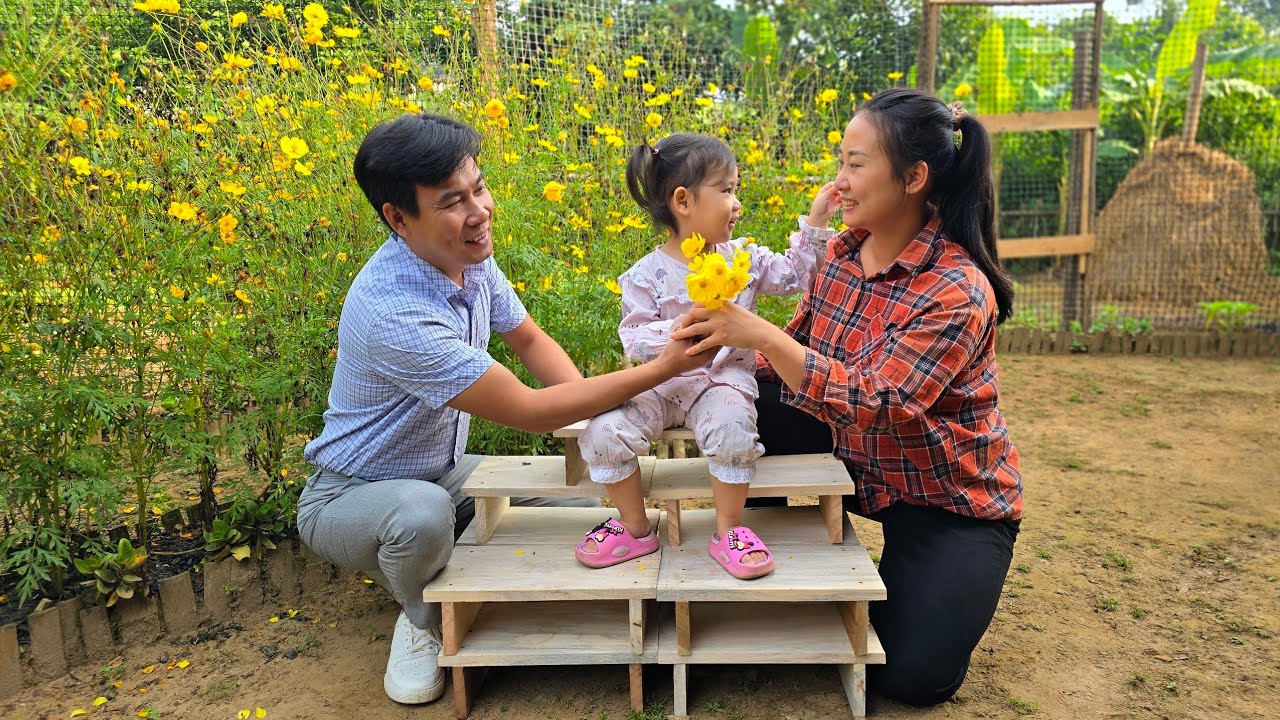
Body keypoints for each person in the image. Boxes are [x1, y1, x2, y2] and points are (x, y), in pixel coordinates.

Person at [297, 113, 717, 706]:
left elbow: (529, 340)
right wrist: (659, 371)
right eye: (452, 201)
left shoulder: (467, 256)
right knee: (421, 515)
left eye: (479, 187)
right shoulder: (394, 311)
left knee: (568, 498)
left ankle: (448, 565)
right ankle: (420, 618)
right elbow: (528, 410)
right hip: (352, 492)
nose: (479, 211)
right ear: (398, 218)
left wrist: (601, 430)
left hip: (445, 471)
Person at [673, 88, 1024, 706]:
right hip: (854, 459)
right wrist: (696, 362)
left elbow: (886, 402)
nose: (841, 181)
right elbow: (793, 359)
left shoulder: (956, 290)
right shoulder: (840, 255)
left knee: (909, 677)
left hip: (943, 498)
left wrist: (758, 332)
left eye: (856, 164)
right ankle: (758, 533)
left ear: (914, 177)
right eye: (842, 162)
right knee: (741, 400)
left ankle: (917, 575)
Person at [573, 133, 829, 579]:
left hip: (720, 383)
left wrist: (819, 219)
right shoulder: (643, 275)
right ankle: (635, 527)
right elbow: (633, 338)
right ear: (683, 201)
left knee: (733, 427)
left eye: (737, 191)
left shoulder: (742, 259)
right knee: (604, 430)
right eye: (727, 190)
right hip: (658, 384)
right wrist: (681, 328)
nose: (737, 204)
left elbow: (798, 274)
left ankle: (729, 529)